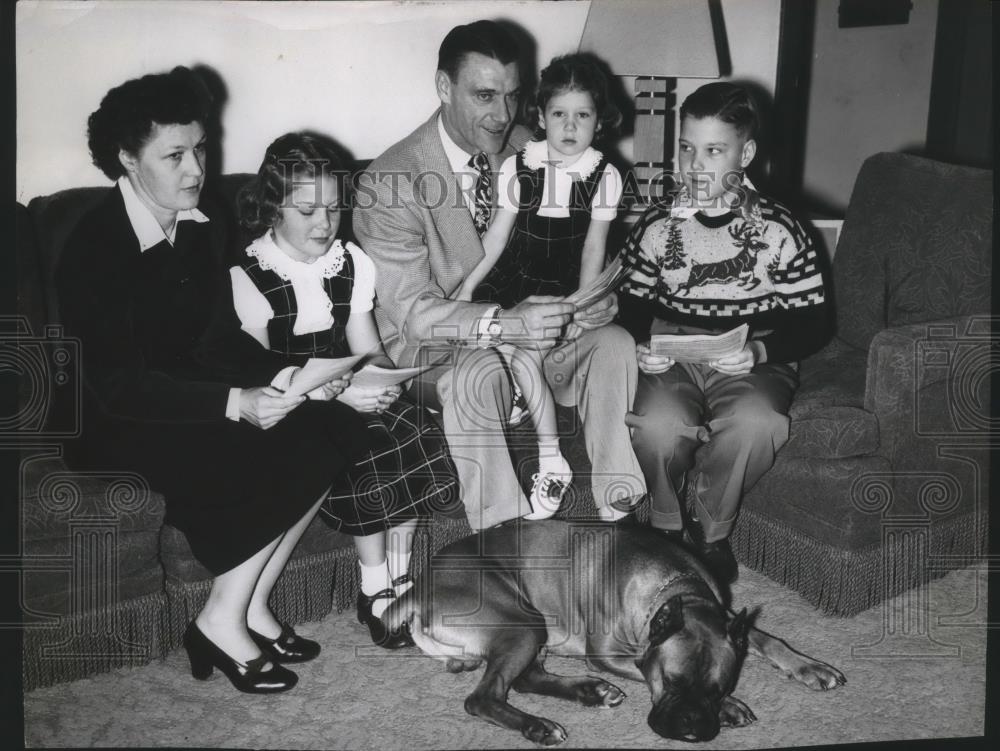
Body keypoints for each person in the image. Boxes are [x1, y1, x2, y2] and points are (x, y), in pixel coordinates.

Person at [55, 68, 377, 694]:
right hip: (114, 421)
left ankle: (252, 605)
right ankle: (219, 620)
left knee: (330, 425)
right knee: (281, 448)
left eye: (199, 148)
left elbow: (219, 341)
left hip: (189, 395)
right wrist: (235, 404)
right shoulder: (93, 247)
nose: (195, 167)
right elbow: (117, 384)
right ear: (127, 159)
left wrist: (291, 376)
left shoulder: (201, 226)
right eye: (174, 155)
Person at [354, 20, 646, 529]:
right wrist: (506, 324)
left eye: (512, 96)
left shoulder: (530, 148)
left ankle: (617, 508)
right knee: (481, 372)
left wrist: (597, 299)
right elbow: (415, 317)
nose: (502, 114)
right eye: (485, 95)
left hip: (533, 339)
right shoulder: (389, 181)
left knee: (615, 342)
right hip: (438, 354)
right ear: (444, 87)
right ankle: (501, 539)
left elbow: (577, 245)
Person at [232, 132, 458, 647]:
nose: (324, 223)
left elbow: (369, 346)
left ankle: (402, 579)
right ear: (273, 207)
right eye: (307, 209)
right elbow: (260, 373)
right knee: (367, 449)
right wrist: (336, 394)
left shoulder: (349, 263)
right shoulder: (251, 275)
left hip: (349, 392)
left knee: (414, 428)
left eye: (333, 208)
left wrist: (379, 380)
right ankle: (374, 587)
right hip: (294, 408)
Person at [618, 82, 832, 584]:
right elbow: (630, 306)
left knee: (758, 423)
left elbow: (816, 321)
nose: (696, 165)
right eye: (687, 148)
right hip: (673, 351)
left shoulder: (781, 228)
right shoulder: (655, 224)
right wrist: (641, 344)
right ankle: (668, 526)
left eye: (714, 150)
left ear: (746, 153)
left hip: (751, 352)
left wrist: (760, 349)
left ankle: (712, 531)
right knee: (656, 425)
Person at [451, 53, 625, 518]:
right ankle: (522, 407)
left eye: (582, 115)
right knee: (498, 342)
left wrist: (578, 310)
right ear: (541, 117)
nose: (569, 127)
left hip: (565, 287)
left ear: (599, 121)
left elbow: (594, 249)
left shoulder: (604, 176)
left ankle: (551, 460)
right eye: (559, 114)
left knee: (526, 353)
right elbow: (494, 239)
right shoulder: (517, 167)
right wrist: (465, 292)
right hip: (515, 283)